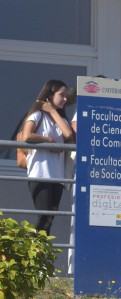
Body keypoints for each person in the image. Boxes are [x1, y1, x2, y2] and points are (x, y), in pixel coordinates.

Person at [17, 79, 75, 234]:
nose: (65, 99)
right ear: (50, 95)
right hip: (40, 174)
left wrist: (52, 111)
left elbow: (68, 134)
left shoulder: (60, 119)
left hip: (57, 178)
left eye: (66, 95)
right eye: (61, 95)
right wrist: (49, 141)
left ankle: (40, 254)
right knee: (43, 218)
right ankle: (32, 252)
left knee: (49, 221)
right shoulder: (37, 115)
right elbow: (27, 136)